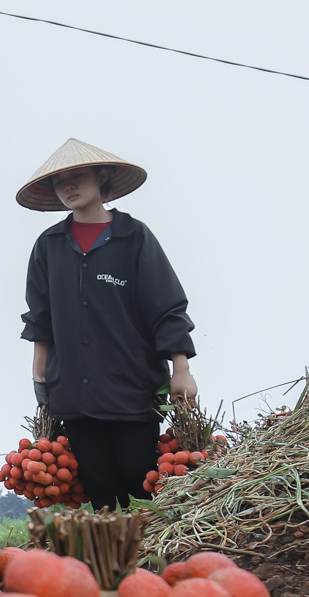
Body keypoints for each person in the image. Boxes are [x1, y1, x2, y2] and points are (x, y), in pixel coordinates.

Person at [18, 138, 196, 509]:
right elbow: (41, 318)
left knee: (141, 482)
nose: (68, 185)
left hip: (132, 389)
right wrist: (40, 378)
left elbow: (165, 306)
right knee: (99, 492)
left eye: (77, 175)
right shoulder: (48, 246)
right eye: (59, 180)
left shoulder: (134, 238)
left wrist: (181, 368)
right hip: (73, 394)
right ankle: (111, 565)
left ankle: (149, 563)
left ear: (102, 177)